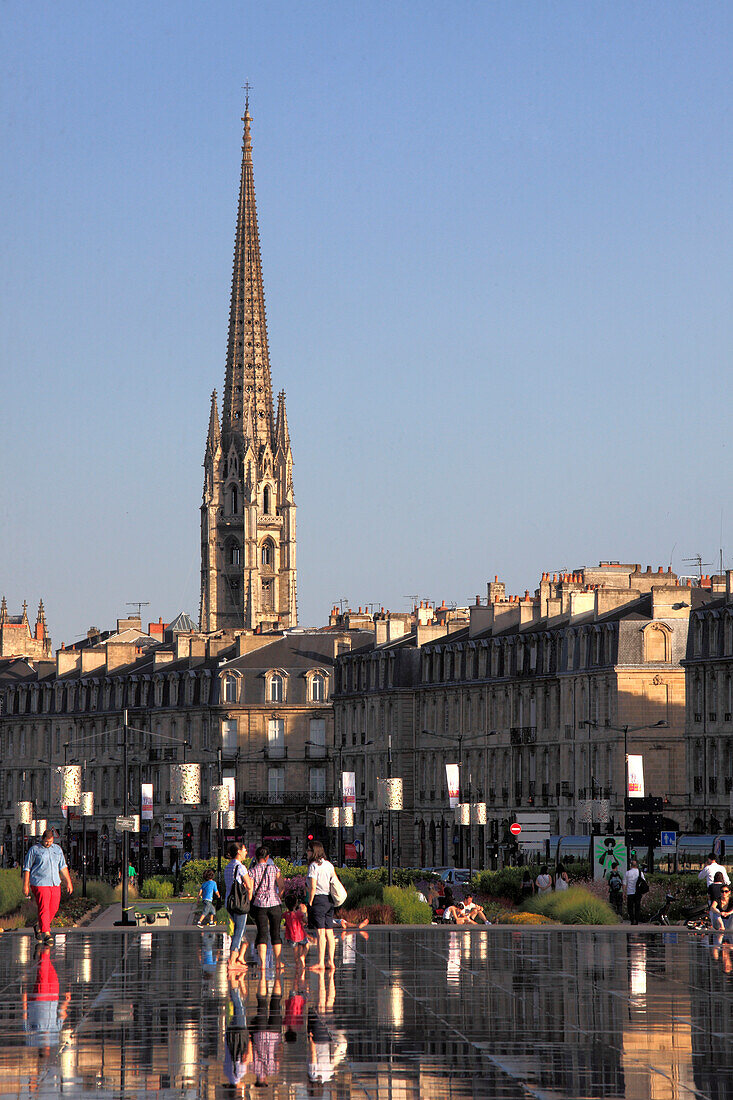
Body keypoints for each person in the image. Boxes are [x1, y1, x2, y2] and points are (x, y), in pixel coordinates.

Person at [22, 829, 73, 945]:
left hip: (55, 882)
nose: (47, 844)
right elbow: (27, 869)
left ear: (53, 840)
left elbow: (63, 867)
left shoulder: (57, 849)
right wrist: (25, 885)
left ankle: (39, 927)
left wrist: (68, 882)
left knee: (54, 907)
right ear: (42, 839)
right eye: (46, 842)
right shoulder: (34, 850)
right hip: (40, 883)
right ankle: (46, 933)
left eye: (49, 842)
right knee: (44, 907)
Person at [250, 845, 285, 972]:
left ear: (256, 857)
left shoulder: (252, 871)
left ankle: (263, 963)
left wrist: (251, 900)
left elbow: (250, 889)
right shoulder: (274, 868)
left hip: (259, 905)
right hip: (274, 903)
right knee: (276, 933)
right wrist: (278, 897)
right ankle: (278, 961)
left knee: (262, 933)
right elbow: (281, 886)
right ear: (267, 857)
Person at [306, 840, 337, 971]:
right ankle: (331, 961)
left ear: (314, 852)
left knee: (320, 933)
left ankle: (320, 962)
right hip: (328, 900)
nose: (307, 852)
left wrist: (310, 901)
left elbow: (312, 886)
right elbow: (334, 880)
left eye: (309, 850)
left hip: (318, 899)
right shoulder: (329, 865)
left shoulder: (313, 866)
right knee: (329, 932)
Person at [224, 841, 253, 971]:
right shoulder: (240, 867)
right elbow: (249, 885)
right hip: (239, 903)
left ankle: (238, 957)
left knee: (237, 930)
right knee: (238, 932)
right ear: (239, 852)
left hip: (229, 902)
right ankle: (232, 961)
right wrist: (249, 897)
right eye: (244, 849)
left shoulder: (228, 866)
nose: (246, 852)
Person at [284, 895, 309, 970]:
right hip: (301, 935)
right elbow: (305, 920)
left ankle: (297, 963)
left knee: (295, 949)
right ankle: (303, 956)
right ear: (296, 904)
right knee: (306, 945)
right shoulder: (299, 913)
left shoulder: (286, 914)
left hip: (291, 936)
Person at [623, 858, 644, 925]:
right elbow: (644, 882)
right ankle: (637, 920)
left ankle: (632, 920)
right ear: (637, 865)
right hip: (638, 893)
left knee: (630, 907)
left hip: (630, 892)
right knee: (637, 907)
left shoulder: (627, 873)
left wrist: (624, 892)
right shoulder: (640, 873)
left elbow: (624, 884)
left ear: (631, 865)